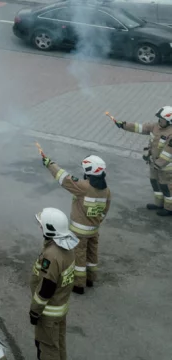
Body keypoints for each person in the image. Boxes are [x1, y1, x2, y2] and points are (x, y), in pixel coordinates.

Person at [38, 150, 111, 292]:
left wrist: (49, 164)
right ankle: (90, 278)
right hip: (94, 230)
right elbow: (105, 210)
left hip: (79, 232)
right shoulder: (106, 190)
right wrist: (95, 222)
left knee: (79, 256)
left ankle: (78, 284)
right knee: (92, 254)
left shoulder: (84, 187)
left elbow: (64, 178)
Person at [30, 207, 78, 360]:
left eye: (42, 225)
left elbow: (46, 287)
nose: (40, 227)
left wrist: (35, 311)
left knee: (48, 348)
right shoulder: (67, 248)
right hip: (60, 307)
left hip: (48, 312)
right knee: (58, 344)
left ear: (50, 229)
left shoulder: (52, 255)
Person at [115, 107, 172, 216]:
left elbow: (167, 154)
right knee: (155, 183)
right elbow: (140, 127)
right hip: (154, 164)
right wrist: (124, 125)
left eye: (162, 120)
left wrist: (158, 164)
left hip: (166, 168)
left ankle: (169, 208)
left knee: (166, 187)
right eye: (159, 119)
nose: (160, 121)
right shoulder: (156, 126)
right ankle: (159, 204)